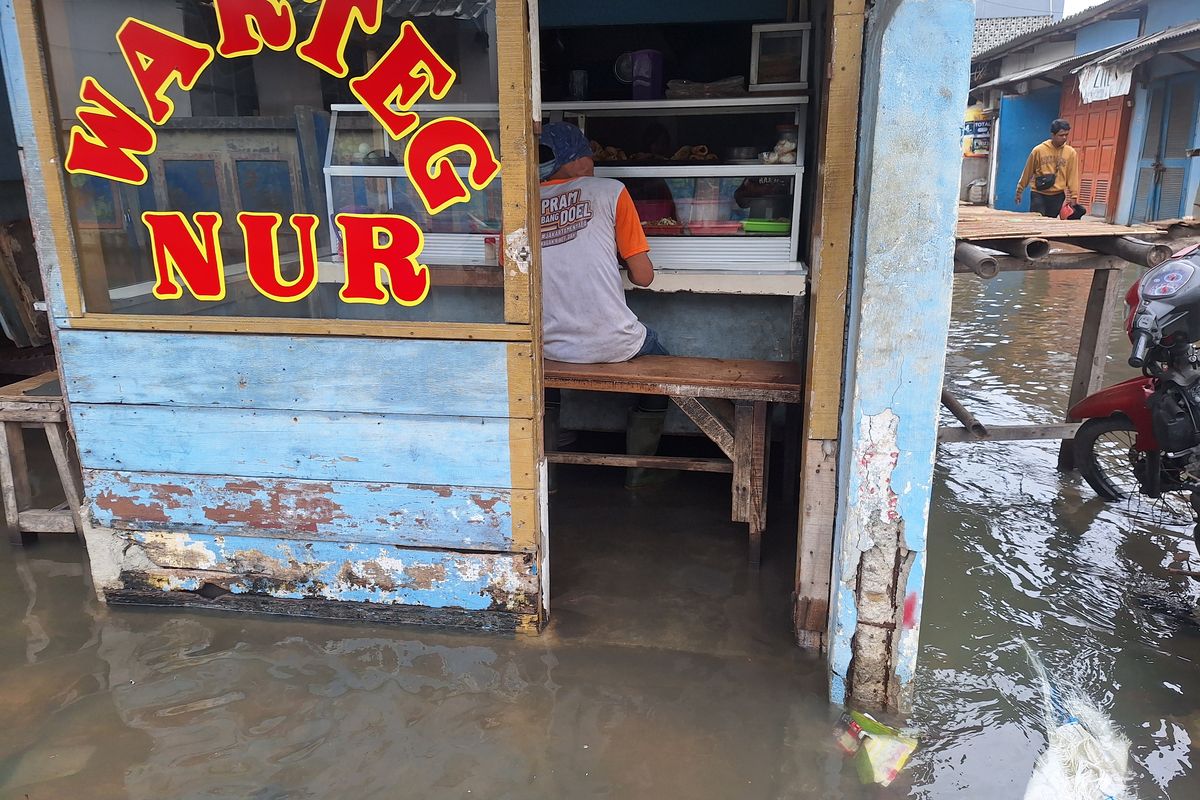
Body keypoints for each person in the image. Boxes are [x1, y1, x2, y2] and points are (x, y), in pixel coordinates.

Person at [538, 122, 670, 489]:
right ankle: (640, 478)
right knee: (663, 374)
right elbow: (644, 277)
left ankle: (546, 479)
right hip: (615, 344)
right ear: (577, 160)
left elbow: (510, 265)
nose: (592, 166)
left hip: (550, 346)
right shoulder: (610, 190)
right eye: (589, 158)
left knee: (543, 392)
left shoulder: (524, 199)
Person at [1015, 119, 1080, 218]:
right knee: (1036, 219)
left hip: (1057, 195)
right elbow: (1028, 171)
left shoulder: (1071, 153)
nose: (1064, 138)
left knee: (1050, 222)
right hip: (1038, 193)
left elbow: (1072, 175)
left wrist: (1074, 196)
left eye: (1066, 135)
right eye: (1061, 135)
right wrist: (1019, 190)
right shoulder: (1038, 150)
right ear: (1052, 135)